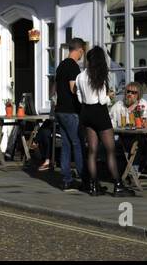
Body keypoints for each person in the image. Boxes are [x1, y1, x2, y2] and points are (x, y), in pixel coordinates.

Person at [77, 46, 129, 196]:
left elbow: (80, 97)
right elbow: (101, 100)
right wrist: (110, 96)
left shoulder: (80, 76)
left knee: (92, 151)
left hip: (86, 112)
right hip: (99, 112)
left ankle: (93, 186)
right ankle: (118, 185)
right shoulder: (99, 76)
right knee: (110, 150)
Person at [53, 38, 86, 191]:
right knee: (77, 144)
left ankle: (66, 180)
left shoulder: (60, 65)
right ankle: (84, 177)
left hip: (60, 110)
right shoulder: (73, 66)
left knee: (66, 145)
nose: (82, 55)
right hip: (70, 111)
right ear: (79, 50)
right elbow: (73, 88)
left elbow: (54, 89)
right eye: (82, 52)